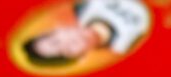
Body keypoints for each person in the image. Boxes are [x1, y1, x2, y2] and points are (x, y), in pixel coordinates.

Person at [17, 0, 151, 69]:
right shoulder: (127, 46)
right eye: (66, 51)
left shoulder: (85, 6)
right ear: (80, 57)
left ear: (59, 30)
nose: (68, 43)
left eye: (56, 41)